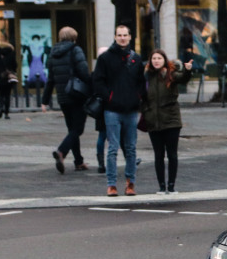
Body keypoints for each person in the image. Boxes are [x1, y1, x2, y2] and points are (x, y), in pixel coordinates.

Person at [92, 24, 147, 197]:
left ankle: (130, 183)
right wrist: (109, 97)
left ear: (130, 37)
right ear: (115, 37)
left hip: (131, 110)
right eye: (119, 35)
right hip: (112, 110)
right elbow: (97, 81)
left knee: (131, 148)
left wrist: (138, 97)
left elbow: (141, 82)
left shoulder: (136, 59)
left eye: (125, 35)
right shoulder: (106, 58)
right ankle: (111, 184)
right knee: (113, 148)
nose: (122, 38)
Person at [41, 26, 92, 174]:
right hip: (77, 95)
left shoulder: (53, 53)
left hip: (63, 97)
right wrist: (92, 87)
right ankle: (62, 151)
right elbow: (83, 71)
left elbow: (50, 79)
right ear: (74, 37)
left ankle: (78, 161)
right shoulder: (76, 50)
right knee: (78, 129)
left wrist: (45, 100)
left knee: (72, 129)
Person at [141, 49, 192, 194]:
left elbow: (183, 78)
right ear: (150, 61)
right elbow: (142, 96)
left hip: (171, 121)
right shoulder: (146, 77)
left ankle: (171, 185)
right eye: (154, 58)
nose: (156, 61)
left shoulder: (170, 74)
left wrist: (187, 71)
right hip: (153, 121)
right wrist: (146, 111)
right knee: (158, 155)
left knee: (172, 154)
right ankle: (161, 186)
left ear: (164, 60)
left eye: (159, 58)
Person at [0, 39, 18, 118]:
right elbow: (15, 65)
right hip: (8, 76)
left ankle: (1, 106)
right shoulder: (11, 53)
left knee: (0, 94)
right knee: (7, 95)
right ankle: (6, 112)